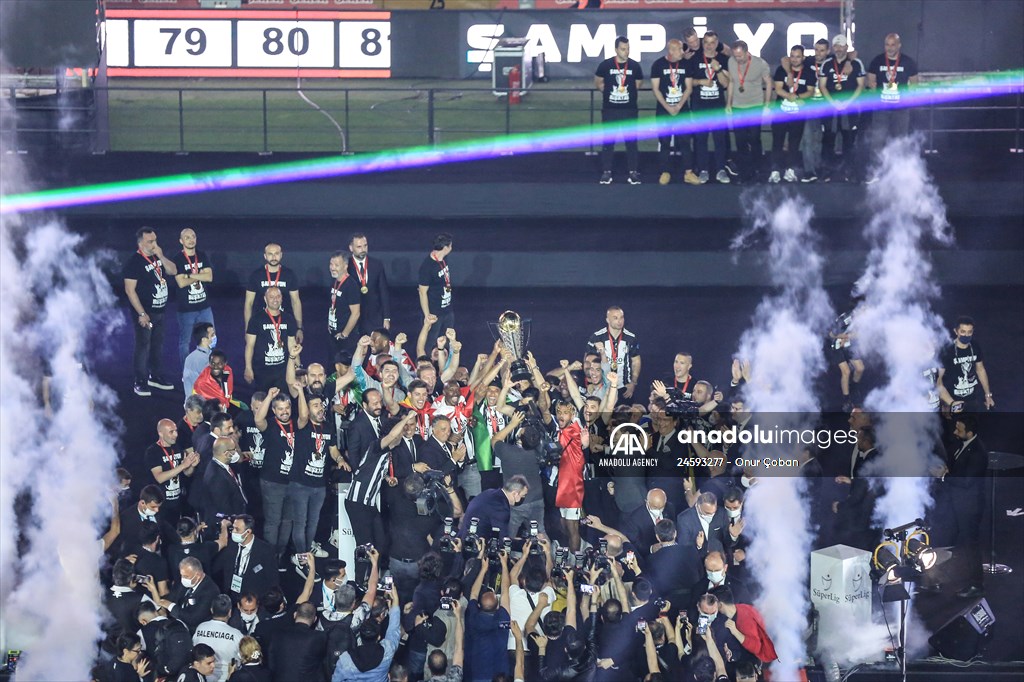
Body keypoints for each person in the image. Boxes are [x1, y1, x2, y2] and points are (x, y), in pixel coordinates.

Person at [933, 415, 988, 598]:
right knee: (953, 542)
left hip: (969, 507)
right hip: (957, 503)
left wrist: (944, 476)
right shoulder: (961, 445)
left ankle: (976, 585)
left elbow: (966, 482)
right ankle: (939, 578)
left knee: (970, 545)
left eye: (959, 430)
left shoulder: (978, 453)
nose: (955, 433)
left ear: (970, 433)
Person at [253, 386, 309, 558]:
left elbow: (305, 416)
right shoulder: (270, 425)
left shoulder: (296, 424)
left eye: (287, 408)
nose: (284, 412)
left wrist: (300, 393)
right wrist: (269, 396)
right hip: (272, 482)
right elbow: (258, 419)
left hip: (293, 482)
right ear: (274, 410)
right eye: (280, 409)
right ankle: (270, 558)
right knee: (273, 522)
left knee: (287, 521)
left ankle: (280, 555)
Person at [123, 227, 177, 397]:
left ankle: (156, 376)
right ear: (141, 243)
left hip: (160, 309)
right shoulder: (134, 263)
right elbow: (130, 290)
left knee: (157, 344)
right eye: (150, 241)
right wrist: (141, 313)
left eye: (155, 240)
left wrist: (161, 255)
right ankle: (140, 380)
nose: (154, 244)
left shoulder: (157, 257)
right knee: (143, 345)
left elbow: (173, 271)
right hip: (145, 312)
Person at [288, 391, 339, 565]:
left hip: (319, 485)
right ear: (308, 410)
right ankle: (301, 558)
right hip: (300, 484)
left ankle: (307, 550)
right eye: (315, 406)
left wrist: (339, 459)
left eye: (321, 405)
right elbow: (302, 415)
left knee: (313, 522)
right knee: (300, 523)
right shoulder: (302, 425)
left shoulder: (328, 427)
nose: (320, 409)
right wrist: (301, 392)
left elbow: (332, 449)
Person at [594, 36, 644, 185]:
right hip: (610, 110)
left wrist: (624, 96)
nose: (626, 51)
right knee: (608, 142)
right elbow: (598, 82)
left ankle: (633, 172)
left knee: (631, 143)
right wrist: (612, 94)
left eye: (628, 48)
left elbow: (638, 84)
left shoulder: (634, 66)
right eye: (623, 49)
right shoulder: (606, 65)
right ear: (616, 49)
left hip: (629, 110)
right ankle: (606, 172)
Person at [491, 412, 546, 538]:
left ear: (520, 438)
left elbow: (495, 439)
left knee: (508, 535)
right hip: (537, 499)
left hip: (515, 500)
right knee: (540, 533)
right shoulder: (539, 452)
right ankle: (547, 555)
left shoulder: (507, 451)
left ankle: (508, 555)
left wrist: (512, 424)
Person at [818, 34, 865, 182]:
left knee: (849, 141)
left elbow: (861, 85)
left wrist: (848, 102)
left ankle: (848, 172)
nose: (839, 49)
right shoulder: (827, 64)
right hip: (830, 109)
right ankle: (827, 172)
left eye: (841, 46)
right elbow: (822, 86)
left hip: (849, 109)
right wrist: (833, 102)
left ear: (846, 47)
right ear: (833, 48)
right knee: (828, 142)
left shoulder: (856, 63)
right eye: (836, 46)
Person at [686, 31, 731, 184]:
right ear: (703, 43)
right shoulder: (694, 59)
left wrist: (717, 69)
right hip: (699, 106)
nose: (709, 46)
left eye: (712, 42)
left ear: (717, 43)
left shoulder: (723, 59)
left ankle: (720, 170)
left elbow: (726, 84)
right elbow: (688, 82)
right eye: (706, 42)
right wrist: (700, 82)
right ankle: (703, 170)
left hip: (717, 106)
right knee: (700, 140)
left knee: (720, 140)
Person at [726, 40, 772, 183]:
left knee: (754, 139)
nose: (737, 59)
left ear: (747, 52)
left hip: (755, 106)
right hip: (738, 107)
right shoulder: (731, 62)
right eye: (735, 56)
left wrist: (767, 104)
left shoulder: (760, 63)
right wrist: (728, 103)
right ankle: (744, 171)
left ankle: (758, 169)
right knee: (740, 141)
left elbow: (769, 82)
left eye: (740, 56)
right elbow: (732, 82)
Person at [243, 242, 303, 346]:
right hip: (261, 322)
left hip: (284, 322)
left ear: (281, 255)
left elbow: (296, 302)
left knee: (288, 353)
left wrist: (299, 328)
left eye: (276, 253)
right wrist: (248, 329)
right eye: (270, 254)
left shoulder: (289, 274)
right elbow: (248, 303)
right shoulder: (256, 275)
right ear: (265, 256)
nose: (274, 257)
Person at [770, 44, 814, 183]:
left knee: (794, 143)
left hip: (798, 113)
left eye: (798, 57)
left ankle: (790, 170)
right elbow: (777, 88)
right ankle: (775, 171)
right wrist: (788, 96)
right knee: (777, 142)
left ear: (803, 57)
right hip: (780, 112)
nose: (795, 59)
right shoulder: (781, 70)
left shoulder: (808, 72)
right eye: (792, 56)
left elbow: (811, 91)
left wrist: (799, 97)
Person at [650, 39, 691, 185]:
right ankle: (665, 172)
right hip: (663, 110)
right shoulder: (658, 64)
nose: (682, 52)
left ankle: (688, 172)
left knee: (685, 141)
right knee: (665, 142)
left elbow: (689, 87)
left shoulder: (685, 64)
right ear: (672, 50)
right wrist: (668, 107)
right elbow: (655, 89)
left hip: (683, 110)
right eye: (680, 49)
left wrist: (679, 105)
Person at [866, 33, 919, 146]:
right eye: (887, 45)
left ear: (899, 45)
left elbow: (914, 84)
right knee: (877, 140)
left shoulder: (908, 62)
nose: (889, 48)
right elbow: (870, 81)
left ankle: (899, 163)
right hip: (881, 109)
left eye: (893, 45)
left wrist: (909, 99)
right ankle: (876, 164)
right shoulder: (877, 61)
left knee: (900, 140)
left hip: (901, 109)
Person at [173, 227, 215, 366]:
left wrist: (189, 275)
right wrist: (199, 276)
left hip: (204, 307)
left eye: (193, 236)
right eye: (187, 237)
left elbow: (209, 277)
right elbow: (181, 282)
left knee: (211, 338)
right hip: (186, 309)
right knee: (185, 342)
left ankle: (210, 369)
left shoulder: (202, 255)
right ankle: (187, 371)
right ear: (181, 241)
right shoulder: (178, 259)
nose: (191, 240)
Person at [244, 287, 298, 393]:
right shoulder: (256, 319)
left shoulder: (289, 319)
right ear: (265, 299)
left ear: (282, 298)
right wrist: (248, 367)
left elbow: (292, 344)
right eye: (271, 297)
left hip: (283, 371)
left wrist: (297, 366)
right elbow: (250, 346)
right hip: (262, 371)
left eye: (278, 296)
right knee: (263, 401)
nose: (275, 300)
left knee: (283, 402)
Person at [146, 557, 220, 634]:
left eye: (186, 576)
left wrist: (171, 606)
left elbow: (193, 619)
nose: (183, 579)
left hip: (194, 633)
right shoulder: (182, 583)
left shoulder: (210, 591)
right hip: (176, 627)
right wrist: (153, 589)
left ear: (198, 575)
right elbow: (165, 602)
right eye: (181, 575)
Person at [146, 418, 199, 522]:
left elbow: (186, 474)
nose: (176, 434)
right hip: (161, 505)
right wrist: (183, 466)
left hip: (178, 501)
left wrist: (192, 465)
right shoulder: (153, 451)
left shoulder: (178, 448)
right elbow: (159, 478)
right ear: (161, 433)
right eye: (171, 432)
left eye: (176, 431)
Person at [938, 316, 995, 412]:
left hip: (972, 400)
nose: (966, 335)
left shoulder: (975, 346)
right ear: (956, 331)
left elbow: (980, 370)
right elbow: (938, 382)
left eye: (969, 332)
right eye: (963, 332)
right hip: (952, 399)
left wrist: (988, 395)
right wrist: (952, 403)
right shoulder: (947, 350)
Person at [587, 306, 641, 398]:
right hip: (602, 387)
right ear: (607, 320)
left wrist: (633, 383)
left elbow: (636, 361)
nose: (619, 321)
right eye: (615, 318)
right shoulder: (597, 337)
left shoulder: (631, 338)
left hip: (624, 387)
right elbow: (587, 362)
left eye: (621, 317)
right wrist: (590, 381)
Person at [199, 435, 248, 535]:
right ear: (226, 453)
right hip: (225, 528)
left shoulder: (220, 467)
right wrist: (235, 523)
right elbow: (223, 508)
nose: (236, 452)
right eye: (233, 449)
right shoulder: (216, 477)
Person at [458, 475, 530, 542]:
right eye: (523, 496)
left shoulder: (489, 492)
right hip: (474, 546)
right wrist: (524, 544)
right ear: (515, 493)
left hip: (464, 538)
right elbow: (502, 542)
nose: (523, 498)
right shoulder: (501, 508)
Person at [269, 602, 327, 681]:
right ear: (315, 619)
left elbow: (271, 664)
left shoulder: (277, 635)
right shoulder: (319, 637)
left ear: (295, 614)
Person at [800, 38, 832, 183]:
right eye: (816, 50)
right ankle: (809, 171)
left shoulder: (832, 62)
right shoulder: (807, 62)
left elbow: (851, 54)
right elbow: (785, 59)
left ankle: (819, 168)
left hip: (826, 107)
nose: (818, 53)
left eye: (822, 50)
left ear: (828, 51)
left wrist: (850, 60)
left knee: (820, 140)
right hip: (809, 106)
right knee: (807, 139)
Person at [193, 594, 244, 682]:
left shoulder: (200, 628)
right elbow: (243, 659)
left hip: (203, 677)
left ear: (212, 610)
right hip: (227, 678)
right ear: (230, 612)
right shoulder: (236, 635)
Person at [348, 233, 391, 335]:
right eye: (359, 247)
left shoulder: (376, 264)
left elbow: (383, 292)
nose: (363, 249)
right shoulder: (346, 266)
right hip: (353, 318)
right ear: (351, 248)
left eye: (365, 245)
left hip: (374, 317)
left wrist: (386, 317)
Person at [418, 233, 455, 350]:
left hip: (447, 309)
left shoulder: (443, 259)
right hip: (435, 312)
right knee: (431, 343)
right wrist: (427, 315)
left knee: (447, 341)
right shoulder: (427, 266)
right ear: (446, 248)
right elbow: (422, 292)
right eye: (451, 246)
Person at [619, 489, 676, 557]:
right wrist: (651, 549)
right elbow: (634, 544)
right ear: (647, 502)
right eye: (655, 507)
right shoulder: (634, 519)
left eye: (661, 507)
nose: (659, 511)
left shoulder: (670, 508)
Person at [327, 251, 362, 360]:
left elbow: (355, 313)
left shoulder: (351, 285)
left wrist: (344, 334)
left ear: (345, 266)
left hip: (346, 339)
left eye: (337, 265)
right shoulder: (334, 282)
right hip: (334, 334)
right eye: (331, 264)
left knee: (344, 369)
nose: (333, 268)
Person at [184, 323, 218, 401]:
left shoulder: (209, 355)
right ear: (204, 340)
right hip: (198, 405)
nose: (214, 337)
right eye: (212, 335)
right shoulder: (194, 359)